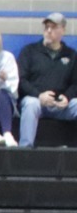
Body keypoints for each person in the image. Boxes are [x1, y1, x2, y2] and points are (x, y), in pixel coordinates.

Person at [17, 12, 77, 147]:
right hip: (37, 101)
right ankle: (24, 151)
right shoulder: (29, 51)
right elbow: (21, 80)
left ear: (63, 30)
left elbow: (75, 83)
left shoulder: (71, 55)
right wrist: (39, 95)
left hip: (61, 105)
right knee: (31, 104)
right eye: (46, 27)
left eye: (53, 27)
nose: (49, 31)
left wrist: (67, 97)